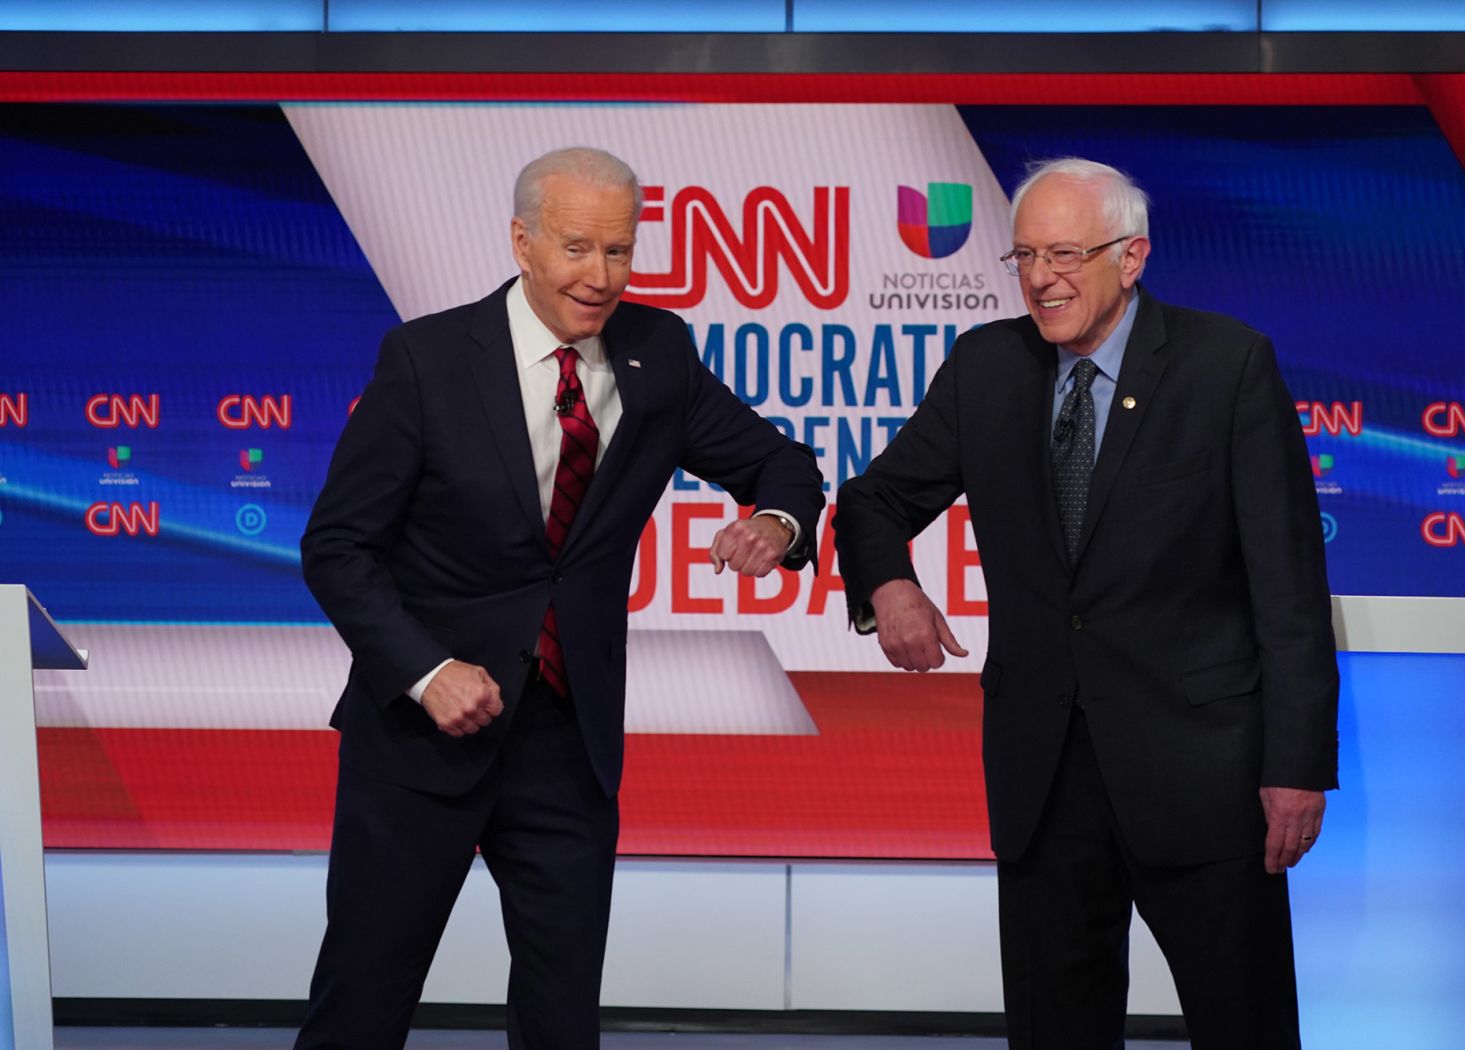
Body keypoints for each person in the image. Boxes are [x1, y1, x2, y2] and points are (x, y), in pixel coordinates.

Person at [296, 146, 824, 1050]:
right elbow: (337, 547)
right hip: (424, 734)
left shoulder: (660, 352)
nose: (602, 276)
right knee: (364, 999)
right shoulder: (426, 360)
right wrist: (427, 672)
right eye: (578, 248)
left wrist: (776, 522)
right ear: (522, 242)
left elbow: (780, 462)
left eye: (620, 251)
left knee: (562, 1014)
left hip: (566, 742)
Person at [834, 157, 1338, 1049]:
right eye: (1024, 256)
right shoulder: (987, 365)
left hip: (1203, 776)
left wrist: (1297, 766)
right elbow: (874, 499)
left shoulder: (1226, 366)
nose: (1040, 278)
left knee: (1245, 1025)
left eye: (1064, 254)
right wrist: (890, 585)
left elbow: (1289, 588)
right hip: (1043, 776)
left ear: (1132, 256)